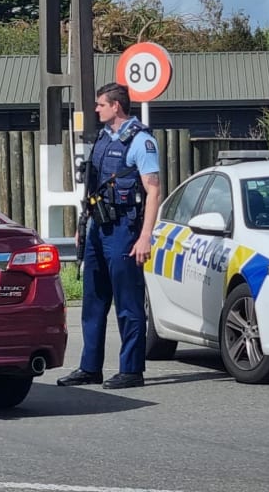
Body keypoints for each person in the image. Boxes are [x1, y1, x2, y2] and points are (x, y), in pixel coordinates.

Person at [58, 83, 162, 390]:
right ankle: (90, 367)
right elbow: (94, 189)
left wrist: (145, 237)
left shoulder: (140, 141)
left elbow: (154, 190)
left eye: (101, 104)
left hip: (125, 230)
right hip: (97, 228)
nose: (96, 109)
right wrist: (82, 228)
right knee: (93, 301)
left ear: (116, 106)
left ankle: (131, 369)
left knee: (128, 303)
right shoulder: (103, 138)